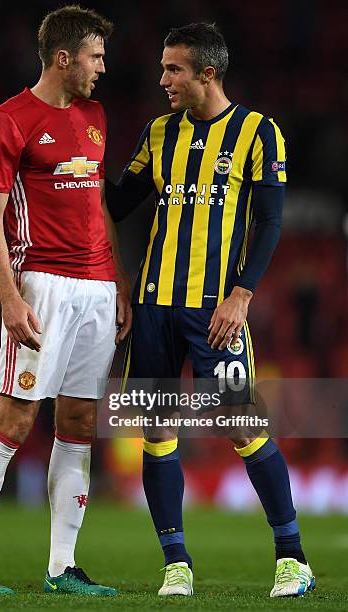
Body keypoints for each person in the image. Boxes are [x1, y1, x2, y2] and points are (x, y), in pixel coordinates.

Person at [106, 22, 314, 598]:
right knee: (157, 432)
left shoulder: (257, 133)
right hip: (152, 307)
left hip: (215, 310)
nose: (162, 79)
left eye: (173, 68)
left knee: (241, 426)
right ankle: (176, 561)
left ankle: (291, 556)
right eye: (163, 67)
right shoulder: (158, 132)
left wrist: (242, 294)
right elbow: (117, 203)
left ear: (207, 72)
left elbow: (271, 221)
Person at [0, 5, 131, 596]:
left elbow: (98, 201)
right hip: (41, 285)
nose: (102, 67)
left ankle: (63, 568)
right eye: (95, 56)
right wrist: (7, 298)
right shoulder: (8, 119)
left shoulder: (96, 116)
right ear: (63, 58)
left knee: (78, 421)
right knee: (16, 417)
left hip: (97, 289)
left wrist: (118, 281)